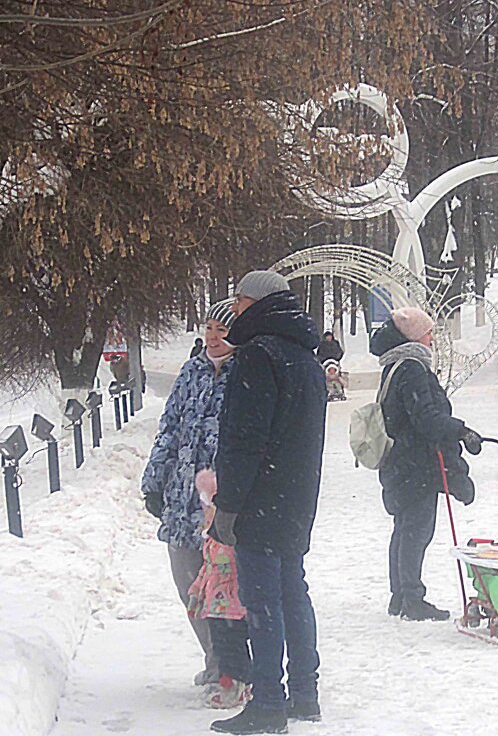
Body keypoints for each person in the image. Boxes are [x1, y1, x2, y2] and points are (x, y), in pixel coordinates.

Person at [209, 270, 326, 735]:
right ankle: (305, 692)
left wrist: (228, 504)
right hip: (296, 496)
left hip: (260, 497)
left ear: (257, 302)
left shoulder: (258, 356)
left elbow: (244, 439)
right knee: (293, 591)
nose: (234, 309)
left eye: (239, 300)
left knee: (261, 601)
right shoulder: (304, 356)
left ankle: (268, 703)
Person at [141, 299, 237, 688]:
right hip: (182, 502)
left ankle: (232, 667)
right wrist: (154, 482)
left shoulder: (246, 373)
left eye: (222, 330)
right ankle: (214, 660)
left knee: (224, 591)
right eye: (209, 328)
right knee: (189, 586)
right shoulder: (191, 371)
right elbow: (169, 429)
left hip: (223, 506)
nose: (212, 337)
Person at [370, 307, 480, 622]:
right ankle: (412, 599)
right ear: (415, 336)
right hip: (415, 462)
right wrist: (461, 431)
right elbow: (426, 418)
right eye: (428, 332)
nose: (432, 338)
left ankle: (400, 597)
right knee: (416, 531)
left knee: (404, 528)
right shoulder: (412, 368)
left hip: (399, 460)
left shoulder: (394, 366)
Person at [189, 470, 251, 710]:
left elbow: (230, 571)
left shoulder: (229, 539)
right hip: (216, 607)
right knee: (224, 648)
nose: (205, 514)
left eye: (208, 508)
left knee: (231, 650)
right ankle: (234, 685)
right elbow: (207, 569)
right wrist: (197, 591)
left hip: (231, 608)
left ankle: (234, 687)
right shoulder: (212, 540)